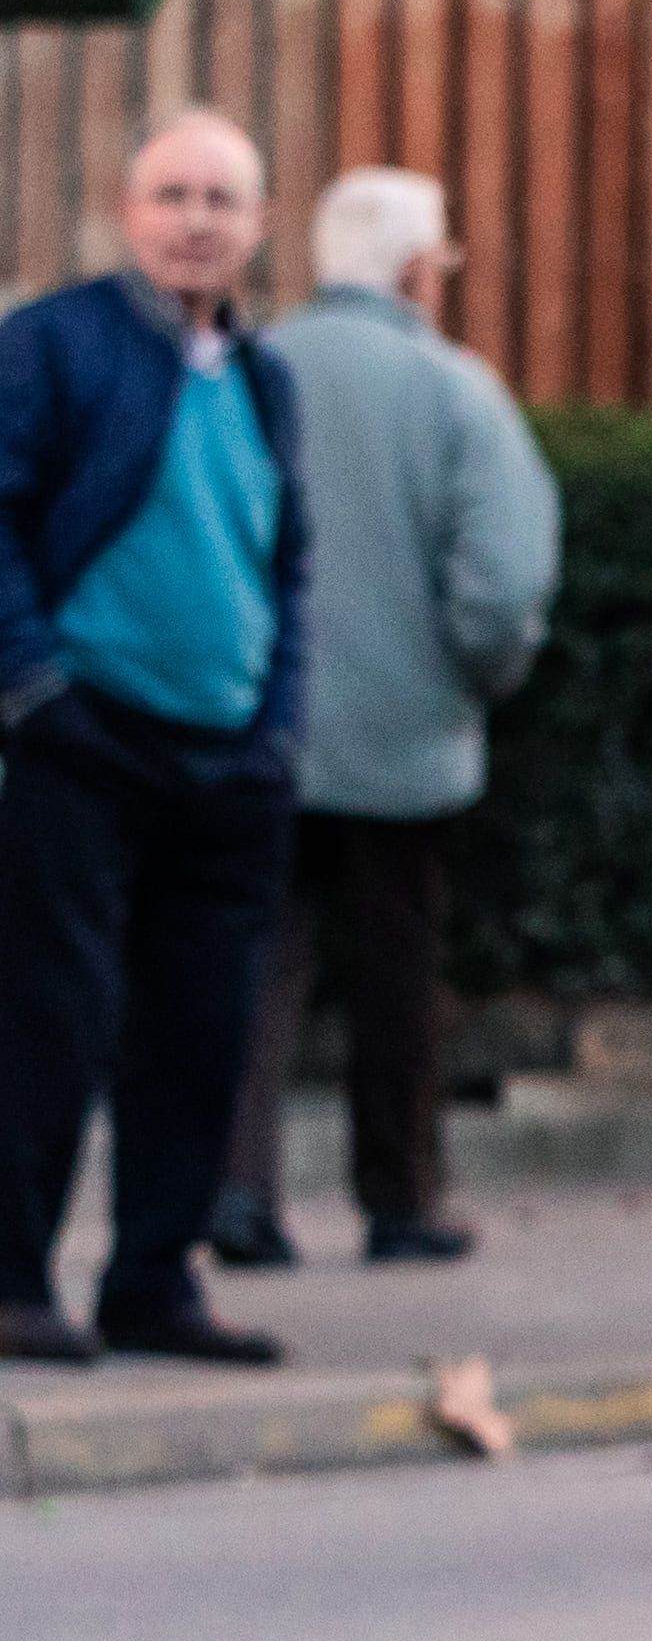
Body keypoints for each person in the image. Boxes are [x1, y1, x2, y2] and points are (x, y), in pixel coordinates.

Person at [0, 108, 314, 1368]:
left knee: (200, 1033)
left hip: (230, 761)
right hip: (83, 746)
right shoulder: (55, 345)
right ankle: (17, 1283)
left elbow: (289, 565)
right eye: (172, 194)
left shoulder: (264, 377)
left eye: (220, 200)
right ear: (129, 212)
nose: (195, 220)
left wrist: (279, 723)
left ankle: (155, 1281)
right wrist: (34, 687)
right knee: (49, 1021)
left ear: (258, 226)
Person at [200, 169, 556, 1274]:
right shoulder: (456, 392)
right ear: (416, 271)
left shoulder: (246, 378)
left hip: (258, 724)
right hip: (406, 743)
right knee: (399, 976)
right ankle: (400, 1199)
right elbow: (501, 586)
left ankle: (236, 1194)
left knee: (258, 964)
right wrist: (468, 682)